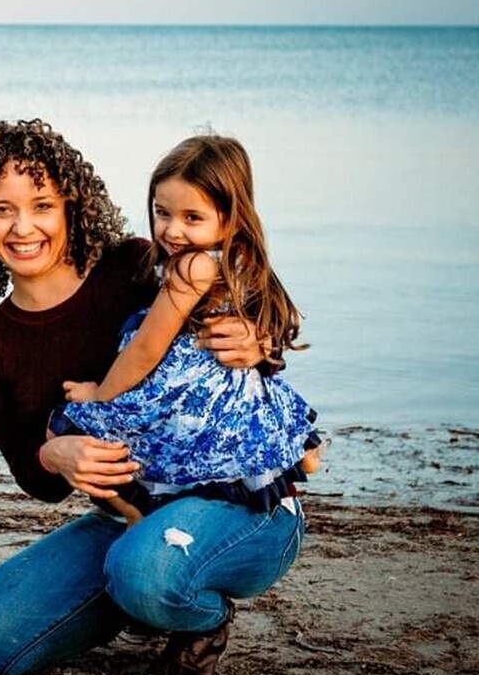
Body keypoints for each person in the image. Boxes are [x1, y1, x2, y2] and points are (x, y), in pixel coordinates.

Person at [0, 119, 306, 675]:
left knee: (144, 571)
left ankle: (197, 617)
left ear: (71, 207)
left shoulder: (137, 265)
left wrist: (259, 343)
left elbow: (231, 334)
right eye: (1, 209)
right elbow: (41, 484)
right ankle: (141, 596)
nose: (23, 226)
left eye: (42, 205)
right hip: (129, 510)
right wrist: (55, 453)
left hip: (236, 500)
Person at [55, 134, 321, 526]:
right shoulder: (243, 259)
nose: (172, 231)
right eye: (163, 213)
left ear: (230, 217)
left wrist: (100, 395)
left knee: (68, 422)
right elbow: (274, 322)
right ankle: (303, 452)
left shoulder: (189, 267)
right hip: (235, 395)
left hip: (190, 396)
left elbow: (147, 348)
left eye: (192, 218)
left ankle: (135, 514)